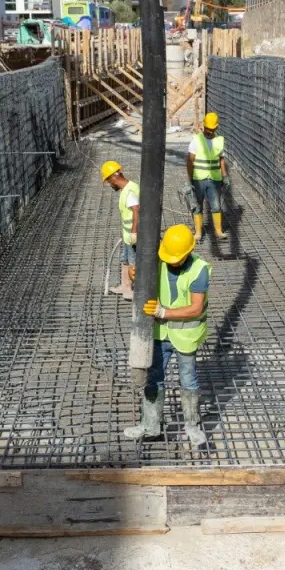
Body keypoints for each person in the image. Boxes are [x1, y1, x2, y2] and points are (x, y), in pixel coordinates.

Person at [125, 224, 211, 448]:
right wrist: (134, 274)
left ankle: (192, 426)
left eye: (177, 259)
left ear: (188, 253)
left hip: (185, 336)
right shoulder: (160, 260)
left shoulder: (199, 270)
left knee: (188, 379)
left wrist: (164, 312)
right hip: (160, 333)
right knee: (154, 377)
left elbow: (196, 308)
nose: (172, 262)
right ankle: (150, 425)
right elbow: (141, 280)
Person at [187, 111, 230, 242]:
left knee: (216, 205)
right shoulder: (196, 140)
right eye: (207, 128)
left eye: (211, 129)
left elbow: (221, 159)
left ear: (216, 127)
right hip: (199, 179)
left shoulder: (219, 141)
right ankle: (198, 232)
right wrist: (190, 179)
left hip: (214, 179)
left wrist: (225, 176)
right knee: (197, 205)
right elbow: (190, 161)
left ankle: (218, 231)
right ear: (203, 126)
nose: (209, 131)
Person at [101, 160, 139, 300]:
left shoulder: (129, 191)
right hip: (127, 234)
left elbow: (137, 211)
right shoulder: (127, 189)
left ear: (114, 177)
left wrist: (134, 232)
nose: (110, 185)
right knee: (125, 259)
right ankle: (125, 285)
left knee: (133, 262)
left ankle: (136, 290)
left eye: (109, 181)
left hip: (132, 234)